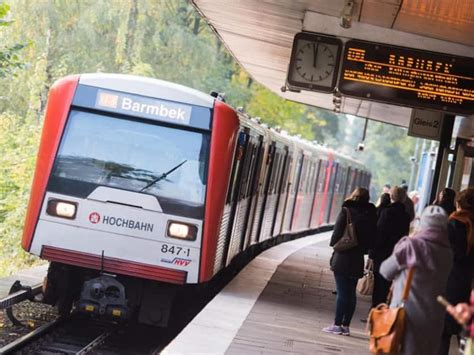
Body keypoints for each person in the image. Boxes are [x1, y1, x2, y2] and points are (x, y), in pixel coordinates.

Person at [379, 205, 453, 355]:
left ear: (423, 223)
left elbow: (385, 270)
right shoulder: (448, 252)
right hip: (435, 317)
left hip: (407, 315)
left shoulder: (412, 246)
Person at [322, 187, 377, 336]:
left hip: (343, 257)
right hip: (358, 257)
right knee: (351, 293)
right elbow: (372, 239)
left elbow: (336, 234)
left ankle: (337, 324)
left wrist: (335, 244)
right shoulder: (371, 214)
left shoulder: (347, 210)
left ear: (354, 195)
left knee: (341, 291)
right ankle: (346, 325)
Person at [439, 188, 474, 355]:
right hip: (470, 287)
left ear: (458, 204)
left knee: (442, 333)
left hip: (451, 283)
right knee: (467, 334)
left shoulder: (452, 224)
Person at [370, 186, 410, 307]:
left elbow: (380, 234)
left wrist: (372, 253)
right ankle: (381, 309)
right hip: (395, 254)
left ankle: (375, 311)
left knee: (378, 286)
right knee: (386, 285)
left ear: (391, 197)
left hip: (382, 253)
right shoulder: (405, 215)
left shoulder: (387, 212)